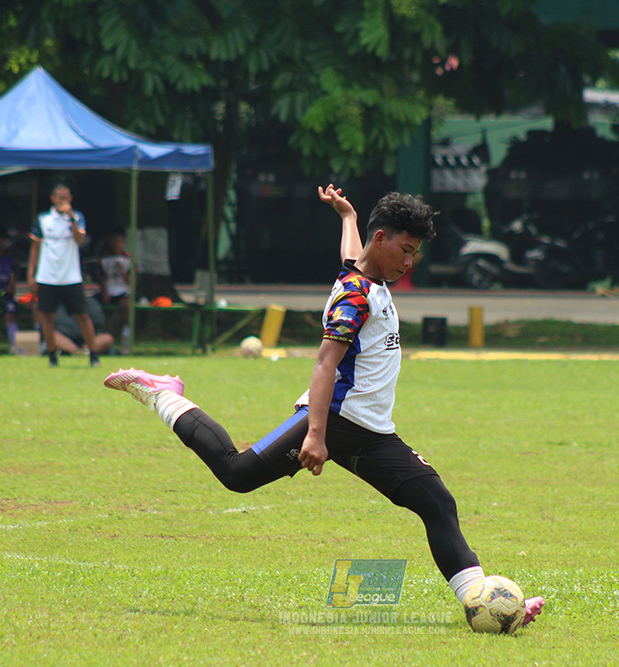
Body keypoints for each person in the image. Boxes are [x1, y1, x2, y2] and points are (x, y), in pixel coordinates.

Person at [104, 185, 544, 626]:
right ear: (381, 240)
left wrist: (347, 216)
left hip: (372, 433)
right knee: (236, 474)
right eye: (405, 250)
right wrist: (315, 434)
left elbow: (353, 255)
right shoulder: (355, 296)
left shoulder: (365, 272)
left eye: (415, 253)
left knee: (436, 501)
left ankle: (482, 600)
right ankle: (162, 393)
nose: (409, 262)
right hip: (333, 421)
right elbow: (324, 363)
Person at [27, 183, 100, 367]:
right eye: (60, 197)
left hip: (71, 277)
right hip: (47, 277)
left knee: (83, 316)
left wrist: (71, 218)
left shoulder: (77, 217)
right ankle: (52, 356)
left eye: (66, 198)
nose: (63, 201)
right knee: (48, 317)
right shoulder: (43, 219)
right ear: (53, 199)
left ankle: (94, 356)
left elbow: (80, 239)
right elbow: (35, 248)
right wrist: (31, 274)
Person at [96, 230, 132, 352]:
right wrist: (105, 292)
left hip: (123, 290)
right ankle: (99, 331)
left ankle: (126, 330)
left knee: (126, 304)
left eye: (119, 241)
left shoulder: (128, 258)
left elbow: (133, 280)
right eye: (114, 241)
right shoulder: (104, 258)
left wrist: (122, 272)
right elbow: (101, 278)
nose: (116, 244)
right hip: (109, 290)